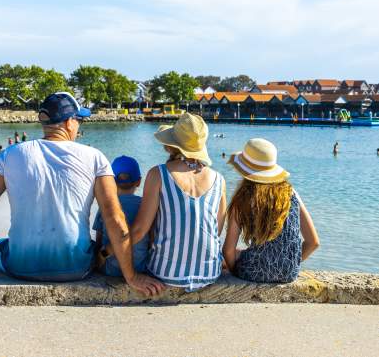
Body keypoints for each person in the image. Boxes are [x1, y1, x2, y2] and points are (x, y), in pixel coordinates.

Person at [0, 92, 163, 297]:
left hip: (21, 267)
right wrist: (132, 276)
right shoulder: (95, 157)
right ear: (70, 122)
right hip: (78, 268)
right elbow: (115, 219)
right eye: (79, 119)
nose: (79, 125)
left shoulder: (11, 154)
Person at [103, 113, 226, 292]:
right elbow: (217, 230)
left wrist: (105, 252)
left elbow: (138, 231)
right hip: (209, 273)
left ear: (170, 147)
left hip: (167, 274)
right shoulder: (220, 179)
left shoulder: (158, 174)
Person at [223, 138, 320, 283]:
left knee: (224, 257)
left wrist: (234, 271)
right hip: (289, 273)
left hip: (254, 271)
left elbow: (228, 251)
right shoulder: (291, 193)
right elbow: (313, 243)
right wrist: (287, 265)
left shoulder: (242, 199)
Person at [94, 155, 148, 276]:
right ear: (138, 181)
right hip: (140, 268)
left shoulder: (106, 206)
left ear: (112, 181)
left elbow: (99, 241)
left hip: (109, 270)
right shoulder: (145, 205)